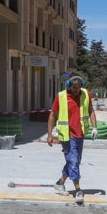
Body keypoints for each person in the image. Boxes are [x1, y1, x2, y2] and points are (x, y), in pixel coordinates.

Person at [45, 74, 97, 204]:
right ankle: (78, 190)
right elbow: (52, 115)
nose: (76, 90)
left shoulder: (85, 94)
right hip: (66, 135)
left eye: (79, 88)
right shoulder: (61, 96)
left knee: (75, 161)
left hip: (80, 134)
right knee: (73, 161)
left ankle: (60, 182)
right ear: (68, 86)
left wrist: (95, 127)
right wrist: (49, 134)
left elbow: (90, 110)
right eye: (74, 88)